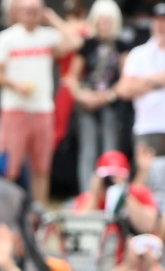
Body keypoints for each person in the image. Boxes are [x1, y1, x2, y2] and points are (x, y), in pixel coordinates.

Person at [0, 0, 82, 206]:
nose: (31, 15)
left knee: (41, 167)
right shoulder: (6, 38)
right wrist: (15, 85)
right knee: (10, 166)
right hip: (15, 108)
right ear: (18, 12)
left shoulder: (47, 36)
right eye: (27, 11)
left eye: (35, 11)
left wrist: (53, 19)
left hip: (42, 109)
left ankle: (40, 212)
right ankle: (8, 210)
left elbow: (76, 42)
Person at [66, 1, 132, 195]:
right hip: (87, 104)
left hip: (111, 104)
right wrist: (82, 95)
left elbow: (126, 77)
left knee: (110, 149)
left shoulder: (121, 45)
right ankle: (88, 194)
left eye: (108, 21)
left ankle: (110, 194)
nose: (104, 26)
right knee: (88, 149)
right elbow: (72, 76)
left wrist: (108, 96)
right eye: (101, 21)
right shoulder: (87, 45)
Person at [118, 2, 165, 146]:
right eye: (158, 20)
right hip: (146, 127)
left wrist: (142, 81)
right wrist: (157, 80)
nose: (161, 25)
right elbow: (124, 89)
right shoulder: (138, 53)